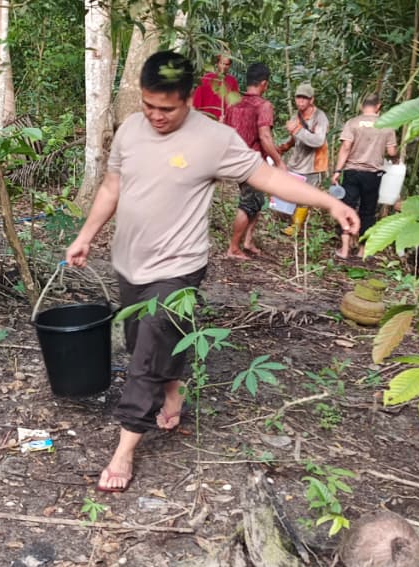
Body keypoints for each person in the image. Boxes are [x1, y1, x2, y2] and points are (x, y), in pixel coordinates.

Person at [65, 51, 359, 493]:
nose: (155, 116)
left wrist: (329, 202)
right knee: (142, 340)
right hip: (129, 262)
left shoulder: (214, 139)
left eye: (167, 108)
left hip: (179, 267)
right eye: (148, 105)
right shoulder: (130, 130)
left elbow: (267, 178)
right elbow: (112, 186)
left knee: (148, 348)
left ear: (189, 99)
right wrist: (86, 235)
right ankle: (173, 388)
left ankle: (125, 446)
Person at [224, 62, 286, 259]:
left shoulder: (234, 103)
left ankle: (248, 241)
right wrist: (279, 162)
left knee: (257, 200)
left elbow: (223, 129)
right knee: (248, 204)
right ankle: (234, 248)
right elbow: (265, 137)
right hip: (251, 163)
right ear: (264, 84)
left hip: (235, 159)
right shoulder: (263, 105)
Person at [332, 94, 397, 258]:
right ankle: (362, 250)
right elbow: (391, 152)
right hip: (373, 175)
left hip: (352, 172)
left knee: (347, 208)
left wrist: (337, 171)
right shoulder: (387, 125)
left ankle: (345, 249)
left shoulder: (353, 123)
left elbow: (346, 147)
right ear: (378, 106)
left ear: (362, 106)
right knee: (368, 212)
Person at [277, 83, 330, 236]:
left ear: (311, 100)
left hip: (313, 164)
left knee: (305, 197)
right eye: (298, 97)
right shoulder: (297, 115)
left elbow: (318, 141)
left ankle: (296, 227)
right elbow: (295, 138)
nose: (300, 101)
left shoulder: (320, 117)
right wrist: (284, 147)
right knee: (287, 191)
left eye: (304, 98)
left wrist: (297, 129)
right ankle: (286, 221)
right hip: (297, 161)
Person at [190, 54, 239, 121]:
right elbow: (197, 98)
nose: (224, 66)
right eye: (222, 63)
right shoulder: (207, 78)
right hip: (206, 118)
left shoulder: (232, 81)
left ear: (229, 65)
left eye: (227, 64)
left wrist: (228, 115)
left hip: (223, 120)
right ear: (217, 63)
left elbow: (235, 102)